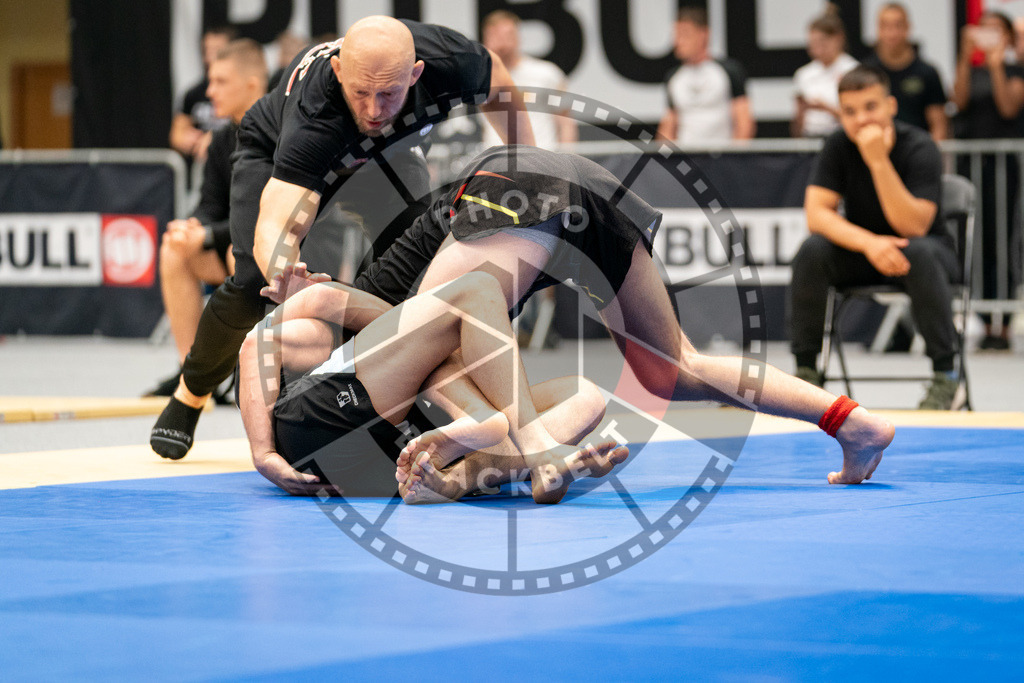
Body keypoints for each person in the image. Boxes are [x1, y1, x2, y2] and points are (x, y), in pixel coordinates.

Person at [248, 143, 895, 497]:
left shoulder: (373, 333)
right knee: (673, 368)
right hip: (577, 188)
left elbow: (284, 341)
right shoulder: (380, 373)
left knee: (451, 328)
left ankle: (535, 454)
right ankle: (849, 421)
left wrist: (260, 443)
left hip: (514, 184)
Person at [150, 16, 536, 461]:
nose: (373, 108)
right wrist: (284, 274)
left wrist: (527, 166)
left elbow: (499, 84)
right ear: (338, 72)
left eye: (389, 93)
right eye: (361, 93)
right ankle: (190, 393)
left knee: (419, 272)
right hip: (275, 151)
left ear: (417, 74)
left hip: (384, 157)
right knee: (254, 280)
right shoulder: (316, 117)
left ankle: (417, 400)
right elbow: (277, 221)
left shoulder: (452, 59)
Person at [242, 266, 627, 504]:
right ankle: (530, 448)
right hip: (324, 421)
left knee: (584, 395)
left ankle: (455, 482)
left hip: (399, 462)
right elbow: (254, 343)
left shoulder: (391, 337)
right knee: (476, 291)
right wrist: (263, 454)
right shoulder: (321, 321)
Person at [791, 65, 960, 409]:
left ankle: (947, 377)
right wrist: (870, 243)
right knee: (812, 251)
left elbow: (913, 227)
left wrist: (878, 161)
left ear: (891, 106)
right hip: (868, 252)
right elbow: (816, 214)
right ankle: (807, 373)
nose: (861, 120)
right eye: (850, 111)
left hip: (926, 254)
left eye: (871, 107)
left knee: (918, 252)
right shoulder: (838, 145)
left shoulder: (920, 146)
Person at [146, 40, 268, 398]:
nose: (209, 91)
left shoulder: (282, 134)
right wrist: (192, 228)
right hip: (234, 240)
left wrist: (208, 235)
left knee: (239, 255)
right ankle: (194, 373)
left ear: (252, 84)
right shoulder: (221, 140)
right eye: (210, 80)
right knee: (174, 248)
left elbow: (267, 216)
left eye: (220, 81)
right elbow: (210, 205)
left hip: (284, 249)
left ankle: (252, 370)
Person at [952, 11, 1024, 351]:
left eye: (998, 31)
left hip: (1004, 168)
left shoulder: (1014, 71)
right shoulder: (972, 69)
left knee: (1003, 240)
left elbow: (1009, 108)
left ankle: (1005, 323)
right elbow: (960, 100)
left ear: (1008, 38)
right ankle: (981, 315)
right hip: (971, 165)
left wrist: (997, 63)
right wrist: (966, 57)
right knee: (976, 242)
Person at [480, 10, 577, 150]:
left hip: (542, 160)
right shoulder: (480, 78)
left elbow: (566, 122)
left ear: (517, 36)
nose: (501, 42)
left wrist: (567, 163)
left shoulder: (546, 73)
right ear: (485, 39)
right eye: (494, 35)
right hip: (495, 164)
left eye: (507, 35)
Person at [656, 7, 754, 144]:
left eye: (685, 34)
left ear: (703, 34)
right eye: (676, 35)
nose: (678, 42)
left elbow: (744, 122)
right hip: (686, 160)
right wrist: (667, 162)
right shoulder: (673, 77)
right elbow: (668, 127)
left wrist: (734, 160)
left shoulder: (728, 71)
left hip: (721, 158)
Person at [862, 3, 948, 141]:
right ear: (878, 29)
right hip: (875, 150)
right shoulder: (865, 72)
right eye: (886, 26)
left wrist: (930, 156)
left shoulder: (927, 72)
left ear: (908, 27)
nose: (892, 33)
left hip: (916, 153)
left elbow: (939, 124)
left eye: (898, 25)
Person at [791, 4, 858, 138]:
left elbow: (858, 116)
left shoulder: (853, 70)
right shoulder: (804, 74)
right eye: (813, 44)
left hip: (842, 138)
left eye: (823, 43)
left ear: (839, 38)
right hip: (809, 140)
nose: (818, 50)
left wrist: (827, 108)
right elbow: (797, 123)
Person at [169, 26, 235, 161]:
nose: (210, 56)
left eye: (217, 50)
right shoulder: (193, 93)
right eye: (207, 50)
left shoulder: (240, 91)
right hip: (202, 167)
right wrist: (186, 139)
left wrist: (215, 140)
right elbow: (176, 134)